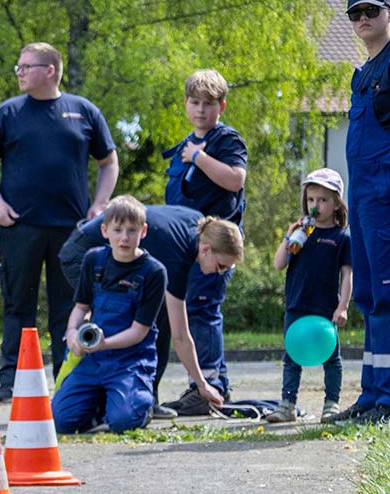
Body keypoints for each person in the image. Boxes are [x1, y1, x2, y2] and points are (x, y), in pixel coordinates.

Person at [0, 43, 118, 400]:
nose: (19, 72)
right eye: (18, 66)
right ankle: (12, 382)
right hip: (19, 226)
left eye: (26, 66)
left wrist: (100, 204)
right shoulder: (9, 113)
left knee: (68, 309)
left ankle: (66, 382)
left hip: (72, 230)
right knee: (17, 305)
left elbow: (109, 162)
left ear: (50, 70)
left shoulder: (82, 111)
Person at [60, 205, 243, 414]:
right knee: (117, 318)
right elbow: (181, 336)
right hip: (81, 252)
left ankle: (147, 398)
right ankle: (96, 399)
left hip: (108, 252)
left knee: (157, 316)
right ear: (206, 249)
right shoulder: (178, 257)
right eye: (220, 266)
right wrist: (202, 385)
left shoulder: (199, 224)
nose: (219, 274)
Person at [163, 69, 248, 408]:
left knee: (202, 310)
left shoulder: (226, 141)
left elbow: (235, 179)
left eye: (208, 104)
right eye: (195, 102)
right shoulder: (184, 143)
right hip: (186, 249)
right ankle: (212, 387)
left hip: (215, 248)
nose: (200, 110)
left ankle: (209, 385)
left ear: (221, 107)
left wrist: (199, 157)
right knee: (189, 311)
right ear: (186, 104)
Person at [51, 196, 167, 434]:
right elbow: (81, 307)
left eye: (131, 230)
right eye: (117, 230)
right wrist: (72, 333)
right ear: (104, 230)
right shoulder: (93, 260)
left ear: (143, 231)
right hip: (93, 359)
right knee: (61, 422)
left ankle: (141, 406)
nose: (124, 237)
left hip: (131, 361)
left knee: (124, 422)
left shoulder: (154, 272)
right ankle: (99, 405)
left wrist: (103, 344)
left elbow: (139, 331)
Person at [335, 0, 390, 422]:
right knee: (369, 296)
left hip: (386, 198)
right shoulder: (361, 74)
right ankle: (371, 394)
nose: (363, 19)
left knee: (388, 296)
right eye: (355, 14)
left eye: (371, 10)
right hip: (363, 198)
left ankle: (387, 397)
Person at [266, 168, 351, 425]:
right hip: (297, 305)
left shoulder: (341, 237)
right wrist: (288, 237)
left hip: (325, 308)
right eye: (311, 200)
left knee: (332, 360)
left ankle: (331, 405)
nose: (316, 205)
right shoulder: (302, 235)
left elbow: (348, 275)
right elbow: (279, 264)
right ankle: (287, 404)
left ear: (336, 203)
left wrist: (343, 306)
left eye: (323, 200)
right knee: (291, 357)